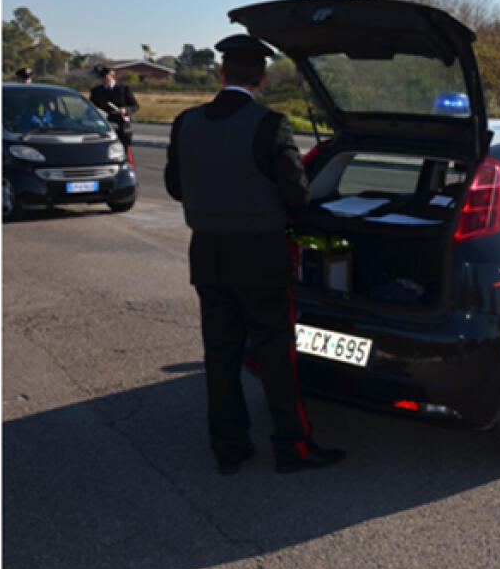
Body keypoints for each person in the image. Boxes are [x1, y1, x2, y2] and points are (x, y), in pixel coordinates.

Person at [164, 34, 344, 476]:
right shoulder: (270, 124)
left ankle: (229, 448)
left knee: (220, 355)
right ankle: (291, 447)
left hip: (207, 254)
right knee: (276, 355)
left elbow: (173, 187)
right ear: (261, 80)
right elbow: (296, 195)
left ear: (221, 74)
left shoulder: (186, 121)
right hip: (261, 257)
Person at [90, 65, 139, 150]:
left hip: (121, 126)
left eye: (105, 77)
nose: (102, 79)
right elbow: (91, 107)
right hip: (104, 126)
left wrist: (125, 110)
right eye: (101, 77)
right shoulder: (96, 91)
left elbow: (135, 106)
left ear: (112, 76)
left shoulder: (124, 88)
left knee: (123, 151)